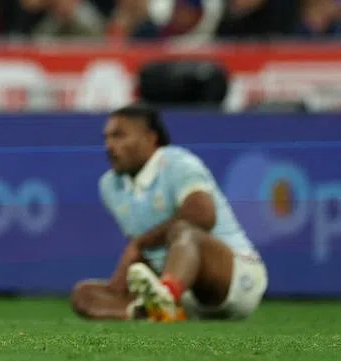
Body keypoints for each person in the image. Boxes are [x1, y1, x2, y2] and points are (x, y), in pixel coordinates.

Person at [70, 102, 268, 322]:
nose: (109, 145)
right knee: (83, 293)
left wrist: (140, 244)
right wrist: (124, 280)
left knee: (185, 231)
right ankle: (147, 312)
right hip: (181, 289)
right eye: (106, 138)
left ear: (150, 138)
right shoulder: (109, 186)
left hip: (233, 278)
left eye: (119, 136)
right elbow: (145, 250)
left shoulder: (178, 163)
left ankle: (168, 297)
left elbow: (202, 217)